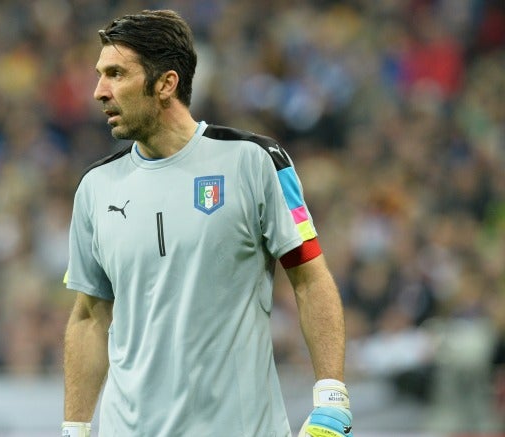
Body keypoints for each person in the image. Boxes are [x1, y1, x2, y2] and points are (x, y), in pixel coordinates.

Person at [62, 9, 352, 437]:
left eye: (116, 74)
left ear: (166, 83)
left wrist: (331, 395)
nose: (99, 91)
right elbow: (89, 315)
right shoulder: (95, 187)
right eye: (101, 75)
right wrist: (74, 427)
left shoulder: (255, 161)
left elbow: (310, 278)